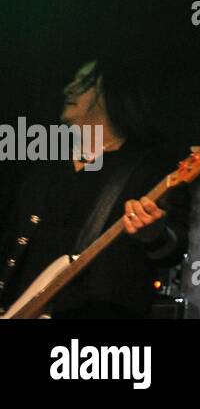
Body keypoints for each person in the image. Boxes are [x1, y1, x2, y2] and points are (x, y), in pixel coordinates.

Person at [0, 58, 189, 318]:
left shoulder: (150, 170)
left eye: (83, 82)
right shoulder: (42, 164)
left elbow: (173, 248)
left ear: (113, 92)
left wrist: (153, 233)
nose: (69, 88)